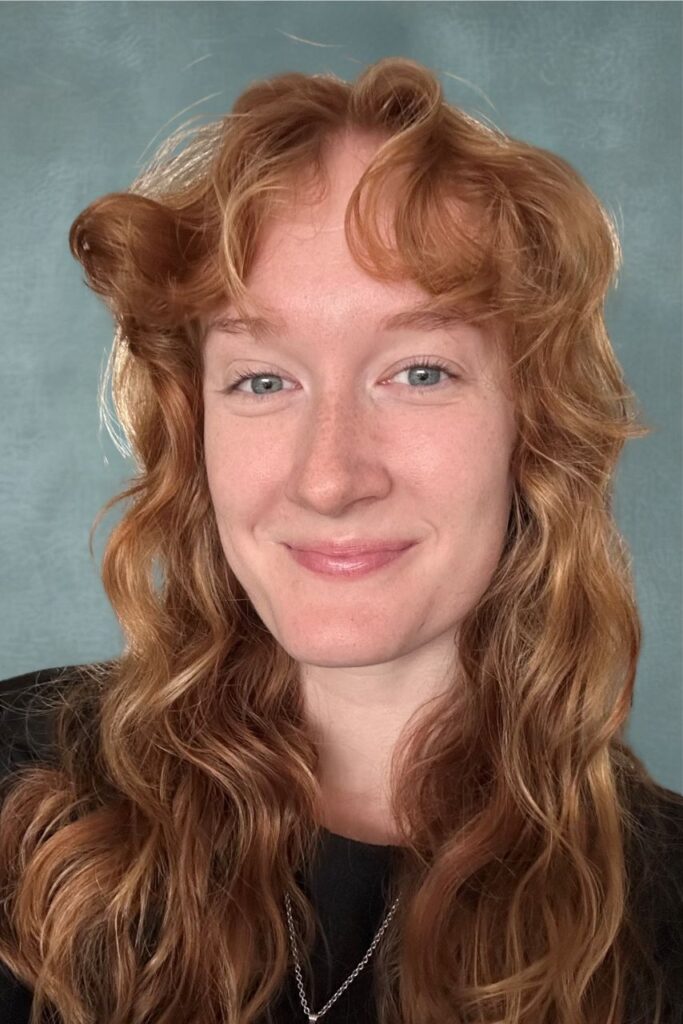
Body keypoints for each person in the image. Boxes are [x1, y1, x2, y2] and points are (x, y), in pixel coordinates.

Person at [0, 56, 681, 1024]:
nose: (328, 477)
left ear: (532, 427)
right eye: (262, 380)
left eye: (419, 372)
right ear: (196, 435)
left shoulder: (661, 913)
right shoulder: (18, 789)